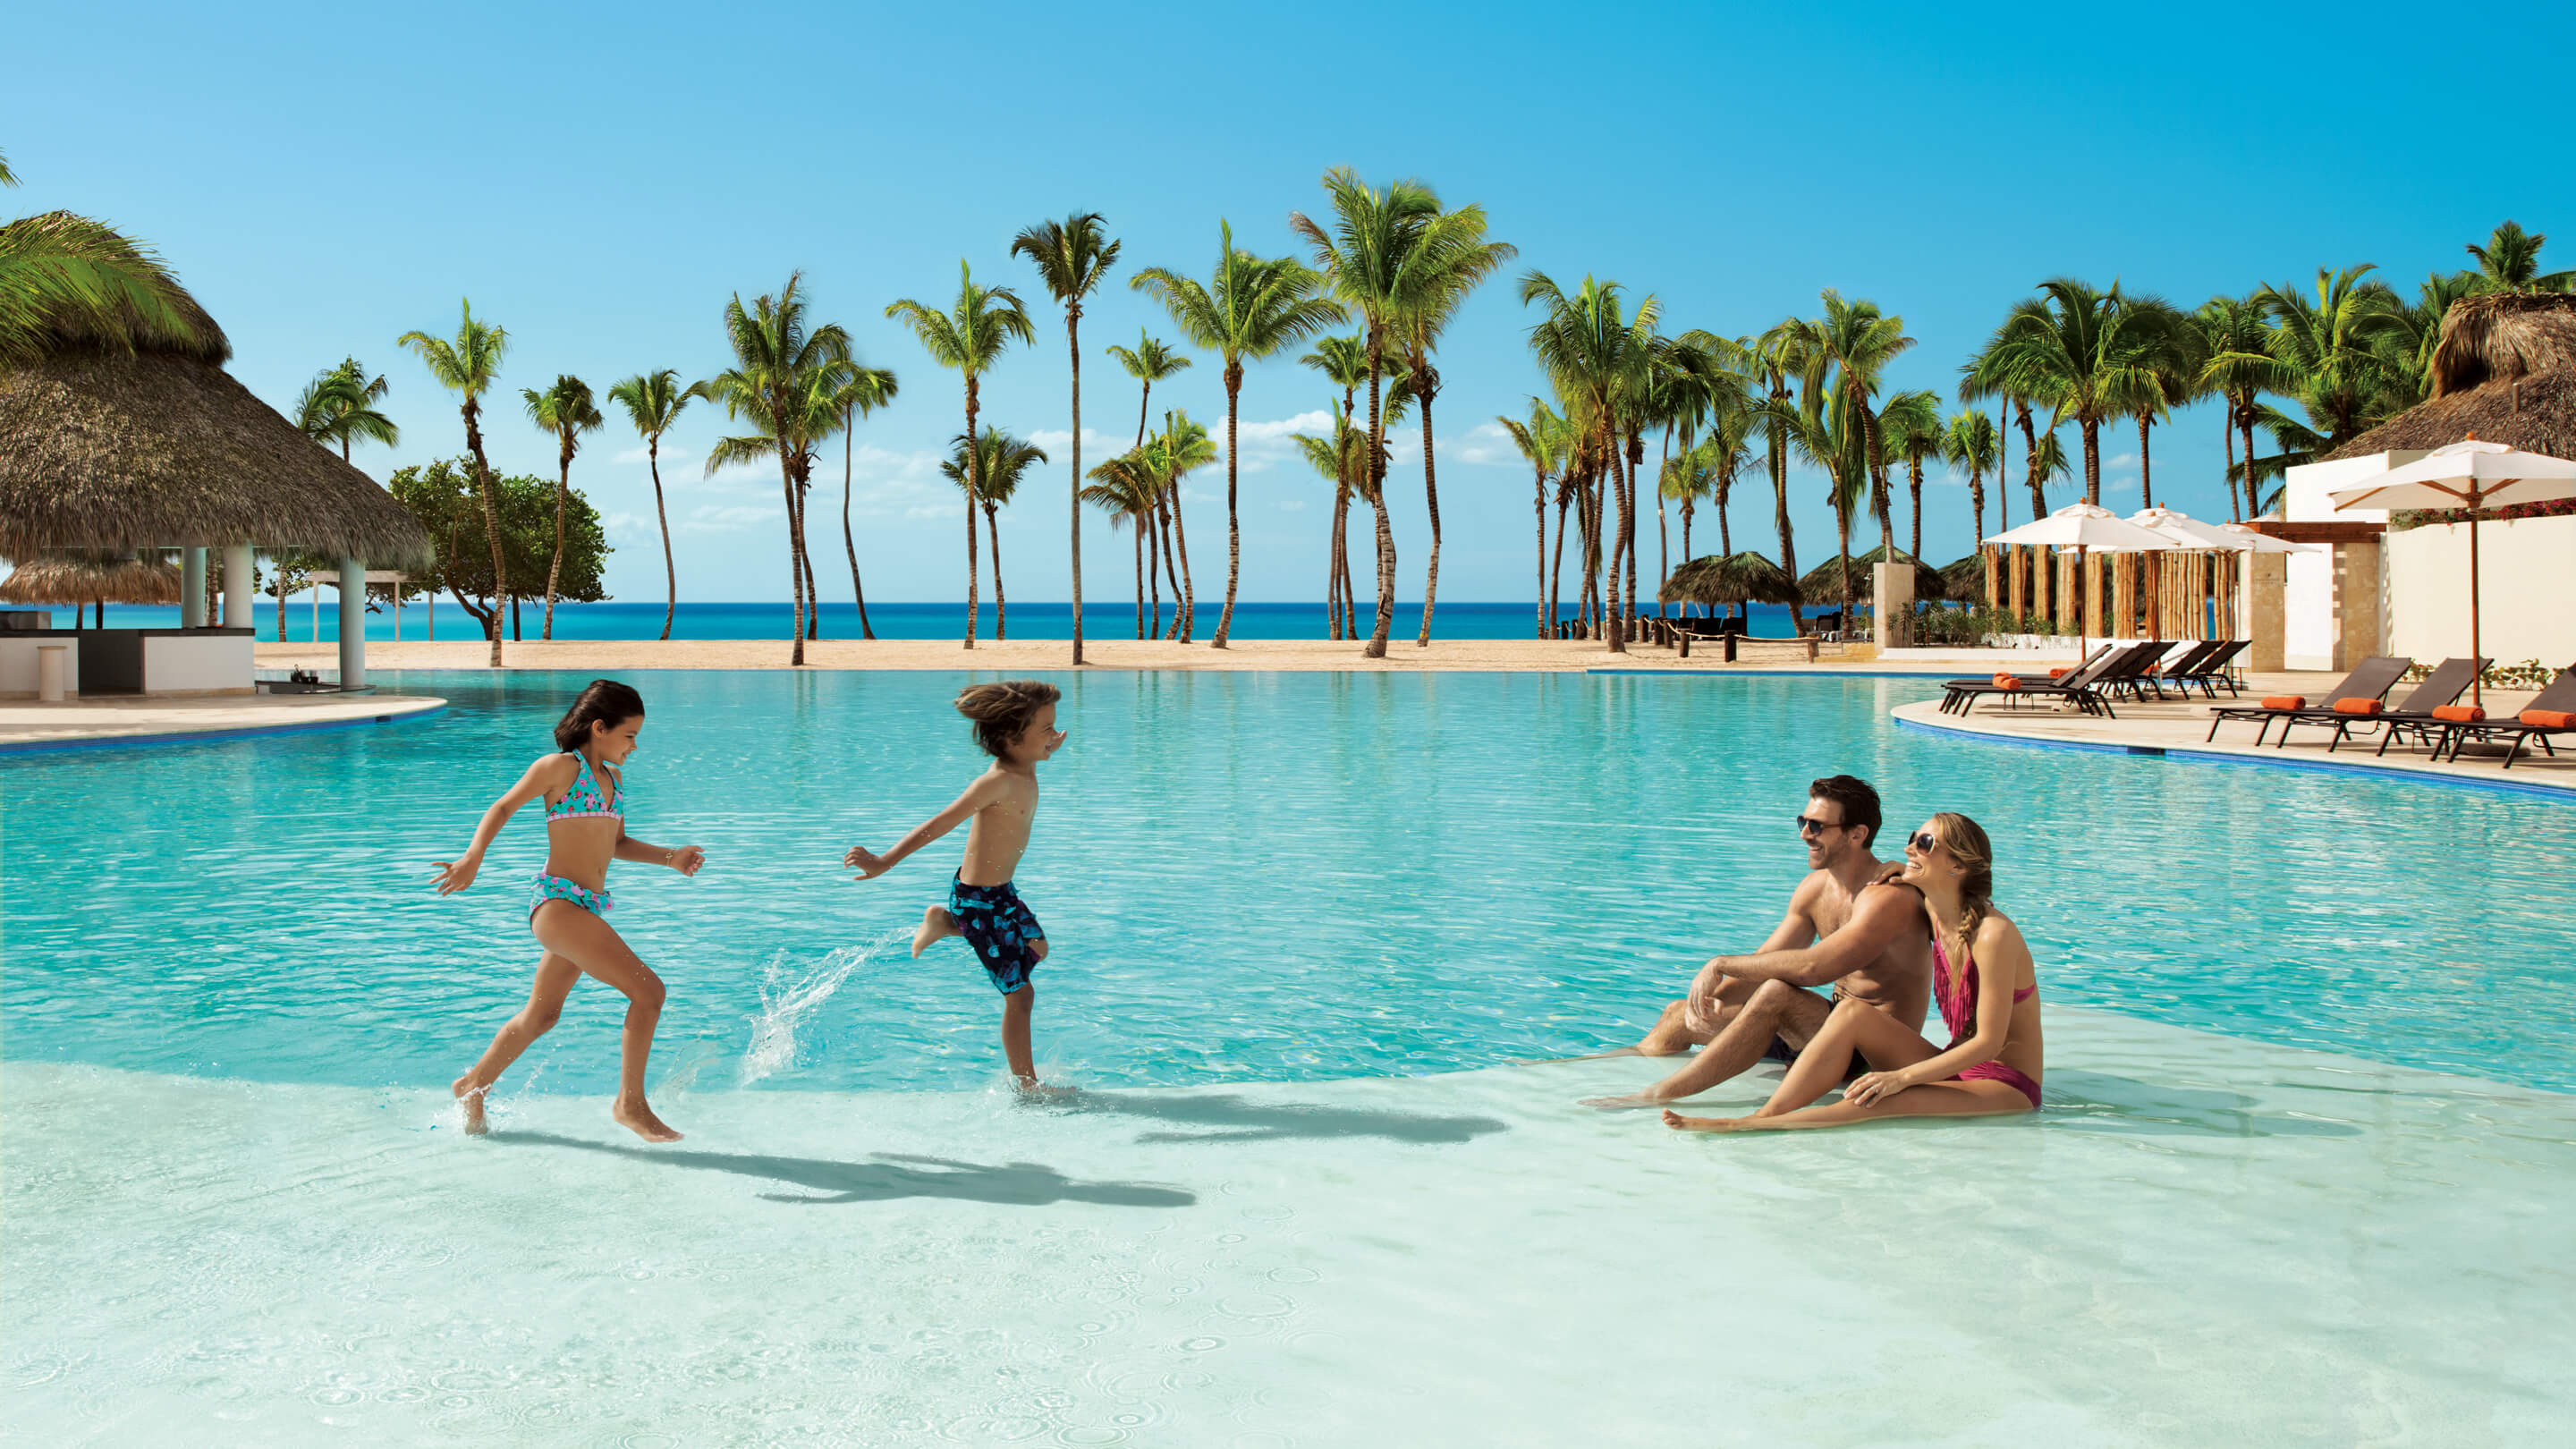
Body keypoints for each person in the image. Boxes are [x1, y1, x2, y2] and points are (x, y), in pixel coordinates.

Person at [436, 680, 705, 1141]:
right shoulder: (560, 768)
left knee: (541, 1016)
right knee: (649, 993)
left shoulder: (613, 781)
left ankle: (473, 1085)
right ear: (599, 728)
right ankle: (630, 1104)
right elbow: (503, 807)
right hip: (558, 905)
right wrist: (472, 857)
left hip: (584, 907)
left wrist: (671, 856)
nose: (635, 746)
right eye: (629, 736)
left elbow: (616, 843)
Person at [1663, 811, 2043, 1133]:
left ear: (1958, 866)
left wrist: (1901, 1077)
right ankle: (1770, 1113)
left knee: (1889, 1101)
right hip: (1955, 1065)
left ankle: (1754, 1125)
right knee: (1852, 1012)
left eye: (1924, 844)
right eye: (1912, 839)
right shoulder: (1936, 912)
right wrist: (1908, 871)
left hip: (2004, 1083)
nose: (1909, 848)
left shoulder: (1993, 934)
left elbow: (1989, 1044)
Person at [1580, 775, 1932, 1109]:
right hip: (1820, 1032)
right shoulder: (1815, 889)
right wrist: (1709, 1006)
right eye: (1803, 822)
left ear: (1857, 834)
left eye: (1818, 826)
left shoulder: (1889, 896)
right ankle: (1583, 1070)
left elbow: (1814, 968)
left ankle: (1660, 1094)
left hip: (1871, 1053)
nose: (1805, 835)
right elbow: (1769, 958)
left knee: (1777, 994)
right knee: (1679, 1014)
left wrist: (1719, 964)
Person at [845, 680, 1068, 1093]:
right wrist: (884, 861)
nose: (1054, 737)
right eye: (1046, 729)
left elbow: (1035, 750)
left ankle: (947, 923)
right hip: (979, 901)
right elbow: (939, 825)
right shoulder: (994, 782)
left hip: (1001, 894)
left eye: (1055, 728)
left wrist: (1045, 745)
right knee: (1020, 997)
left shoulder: (1025, 764)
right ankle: (1026, 1085)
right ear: (1011, 738)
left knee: (1038, 948)